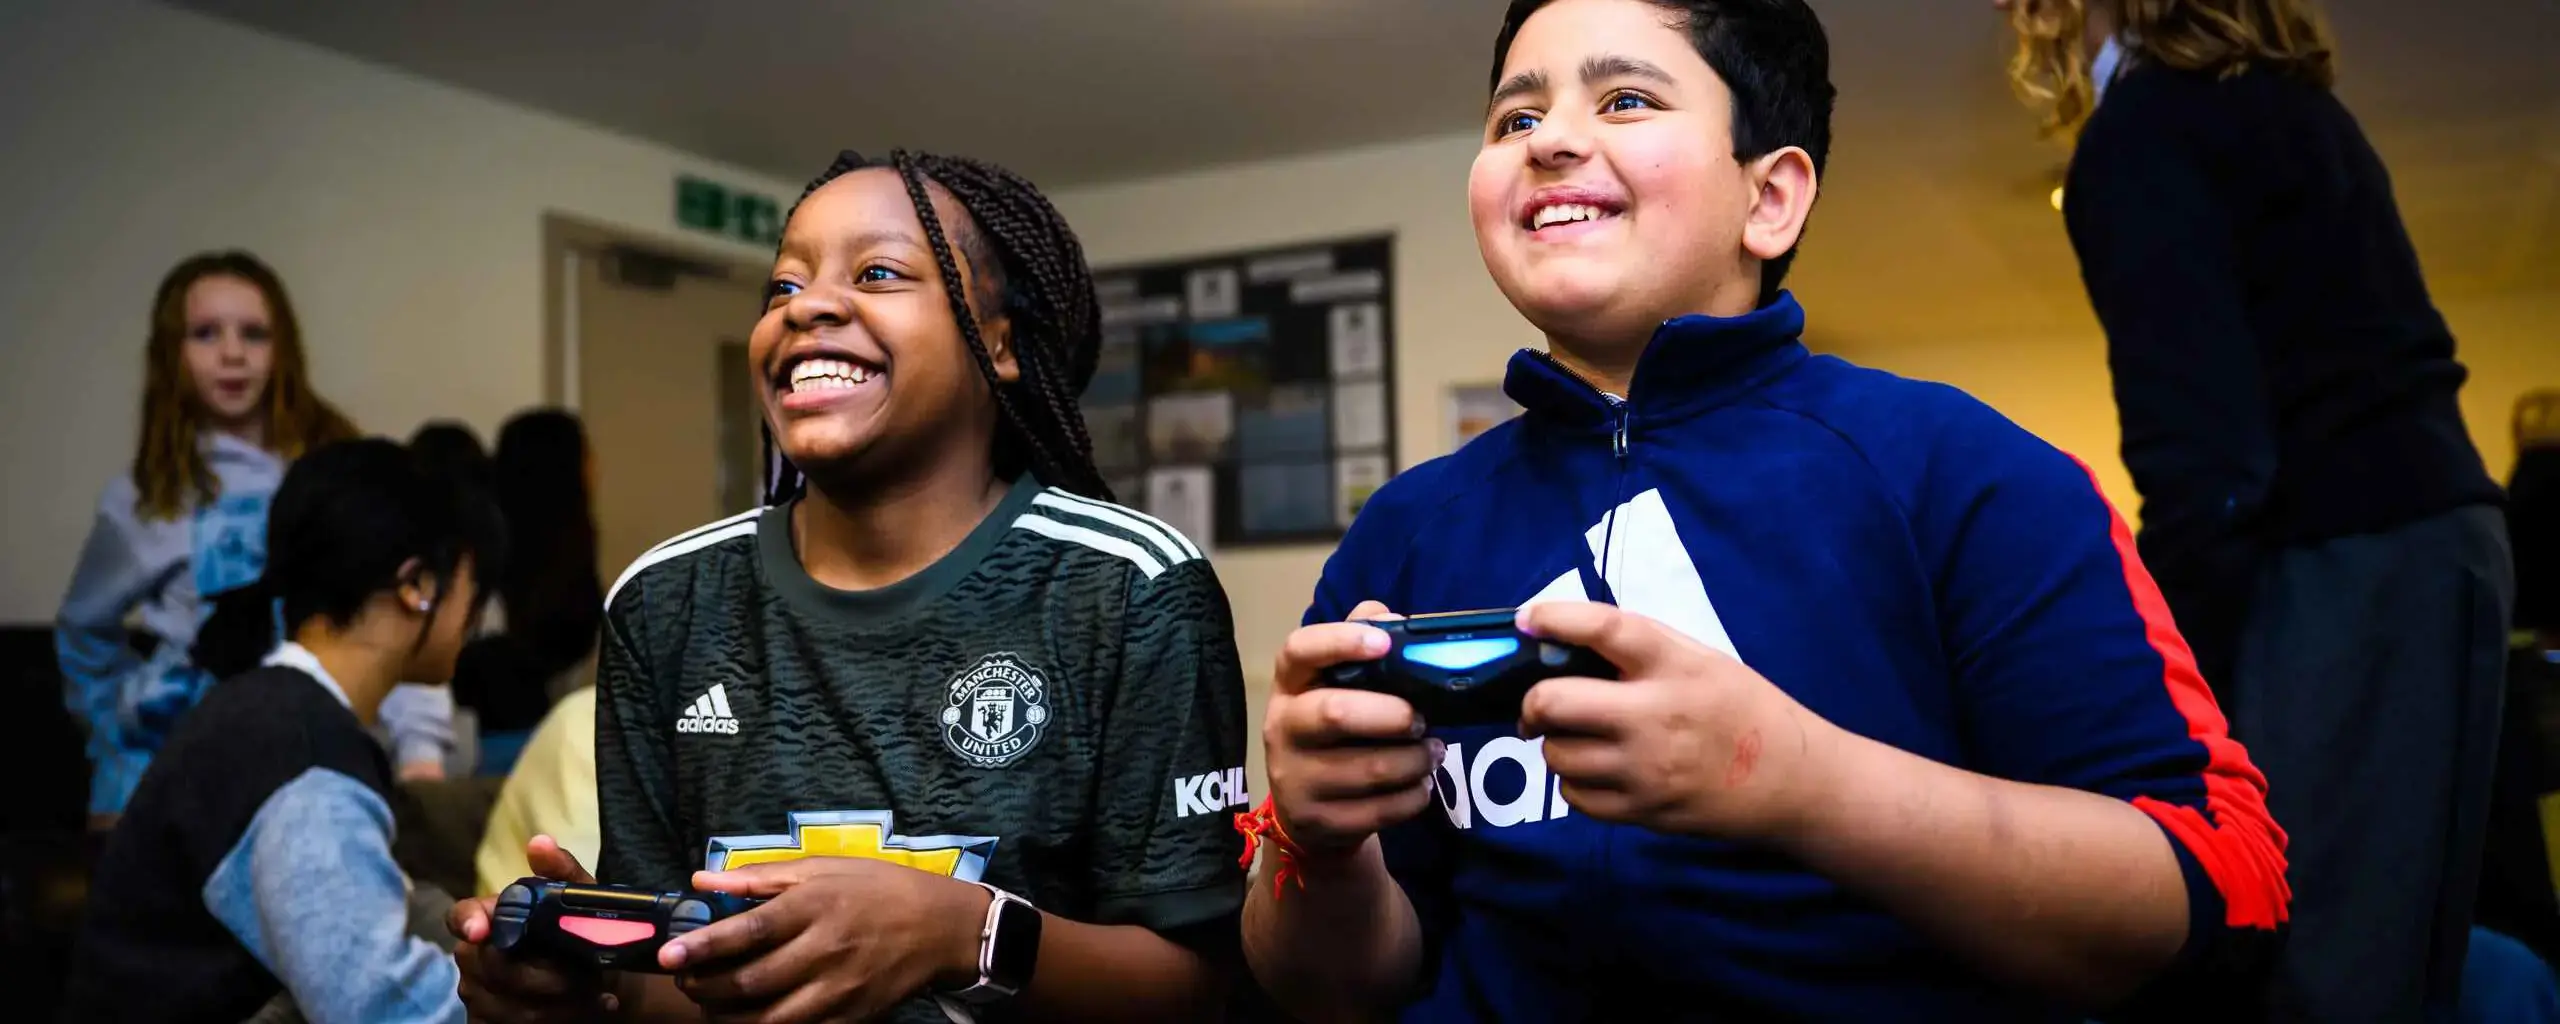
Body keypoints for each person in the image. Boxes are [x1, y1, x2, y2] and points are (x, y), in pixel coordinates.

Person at [1242, 1, 2289, 1020]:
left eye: (1625, 100)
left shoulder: (1964, 471)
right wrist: (1313, 848)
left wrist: (1794, 777)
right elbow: (1329, 991)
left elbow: (2223, 882)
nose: (1549, 140)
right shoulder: (1405, 532)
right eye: (1516, 117)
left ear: (1771, 198)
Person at [450, 149, 1251, 1023]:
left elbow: (1201, 984)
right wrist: (585, 987)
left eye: (877, 272)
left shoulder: (1130, 587)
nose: (806, 307)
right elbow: (670, 974)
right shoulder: (665, 600)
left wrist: (963, 933)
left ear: (999, 343)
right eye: (783, 286)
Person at [2002, 1, 2515, 1018]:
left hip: (2343, 560)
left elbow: (2204, 457)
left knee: (2314, 970)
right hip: (2441, 541)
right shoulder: (2295, 108)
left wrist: (2161, 676)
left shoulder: (2145, 128)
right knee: (2405, 957)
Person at [60, 437, 504, 1024]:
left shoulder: (272, 713)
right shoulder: (302, 760)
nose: (476, 617)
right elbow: (382, 1007)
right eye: (474, 586)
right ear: (417, 586)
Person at [55, 251, 363, 828]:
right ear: (172, 353)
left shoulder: (335, 473)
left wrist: (418, 747)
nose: (232, 353)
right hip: (156, 776)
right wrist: (115, 727)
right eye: (205, 333)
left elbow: (381, 609)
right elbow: (83, 630)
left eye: (253, 333)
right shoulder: (143, 496)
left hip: (298, 765)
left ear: (282, 348)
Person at [450, 407, 603, 776]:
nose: (596, 468)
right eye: (587, 455)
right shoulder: (490, 565)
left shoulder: (494, 557)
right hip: (510, 756)